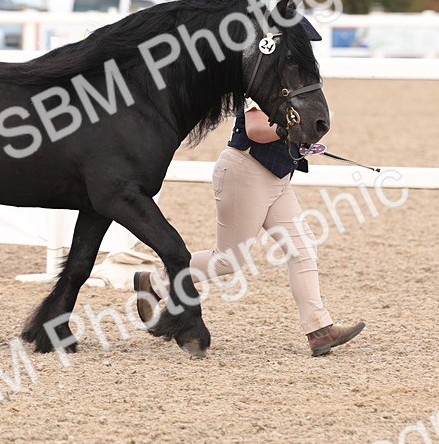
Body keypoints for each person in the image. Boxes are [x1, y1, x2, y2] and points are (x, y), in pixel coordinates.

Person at [132, 101, 365, 357]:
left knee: (303, 248)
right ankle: (155, 282)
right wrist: (290, 130)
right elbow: (255, 130)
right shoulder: (261, 79)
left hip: (277, 177)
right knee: (227, 260)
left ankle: (319, 330)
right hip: (245, 173)